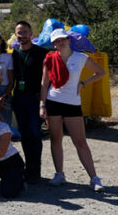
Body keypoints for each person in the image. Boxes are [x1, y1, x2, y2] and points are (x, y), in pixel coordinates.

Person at [40, 29, 106, 192]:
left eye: (62, 40)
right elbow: (44, 83)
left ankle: (94, 178)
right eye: (56, 42)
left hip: (72, 104)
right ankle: (59, 174)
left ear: (69, 40)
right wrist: (42, 105)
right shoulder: (50, 58)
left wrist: (83, 83)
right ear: (54, 44)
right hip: (53, 101)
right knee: (56, 139)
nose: (59, 43)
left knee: (80, 142)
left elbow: (100, 72)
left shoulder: (81, 57)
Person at [11, 21, 48, 183]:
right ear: (15, 35)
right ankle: (28, 168)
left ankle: (36, 170)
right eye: (19, 33)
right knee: (25, 135)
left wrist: (43, 102)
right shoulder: (14, 53)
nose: (22, 36)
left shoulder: (41, 53)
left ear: (31, 34)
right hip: (19, 97)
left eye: (25, 32)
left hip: (35, 98)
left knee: (35, 133)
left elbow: (46, 80)